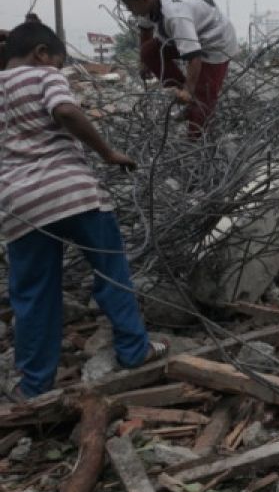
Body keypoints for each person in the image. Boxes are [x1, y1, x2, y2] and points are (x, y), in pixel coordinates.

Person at [1, 21, 167, 401]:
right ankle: (133, 349)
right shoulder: (44, 75)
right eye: (57, 62)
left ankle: (34, 385)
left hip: (21, 208)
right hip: (73, 192)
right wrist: (108, 153)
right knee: (111, 270)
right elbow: (65, 112)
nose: (56, 68)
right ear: (43, 54)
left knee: (33, 295)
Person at [108, 0, 239, 137]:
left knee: (203, 95)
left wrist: (189, 91)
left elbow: (194, 58)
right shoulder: (151, 3)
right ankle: (188, 103)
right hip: (192, 34)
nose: (128, 9)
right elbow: (145, 31)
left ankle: (197, 142)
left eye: (128, 5)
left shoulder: (176, 16)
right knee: (149, 52)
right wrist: (143, 63)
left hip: (216, 42)